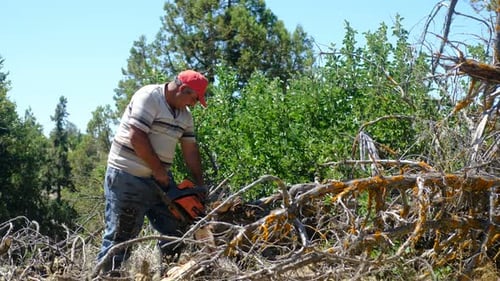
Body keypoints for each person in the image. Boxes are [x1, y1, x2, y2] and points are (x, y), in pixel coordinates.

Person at [97, 70, 209, 275]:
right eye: (193, 99)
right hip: (128, 177)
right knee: (120, 239)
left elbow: (190, 150)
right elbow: (137, 136)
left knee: (176, 231)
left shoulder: (185, 116)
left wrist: (199, 183)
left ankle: (168, 275)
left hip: (159, 181)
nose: (193, 104)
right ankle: (104, 277)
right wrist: (158, 171)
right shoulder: (148, 97)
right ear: (183, 89)